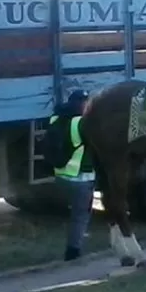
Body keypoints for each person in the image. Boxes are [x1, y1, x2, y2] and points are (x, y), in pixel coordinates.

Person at [46, 90, 94, 261]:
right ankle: (73, 252)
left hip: (60, 175)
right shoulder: (81, 123)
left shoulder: (55, 118)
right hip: (80, 177)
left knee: (74, 214)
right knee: (80, 216)